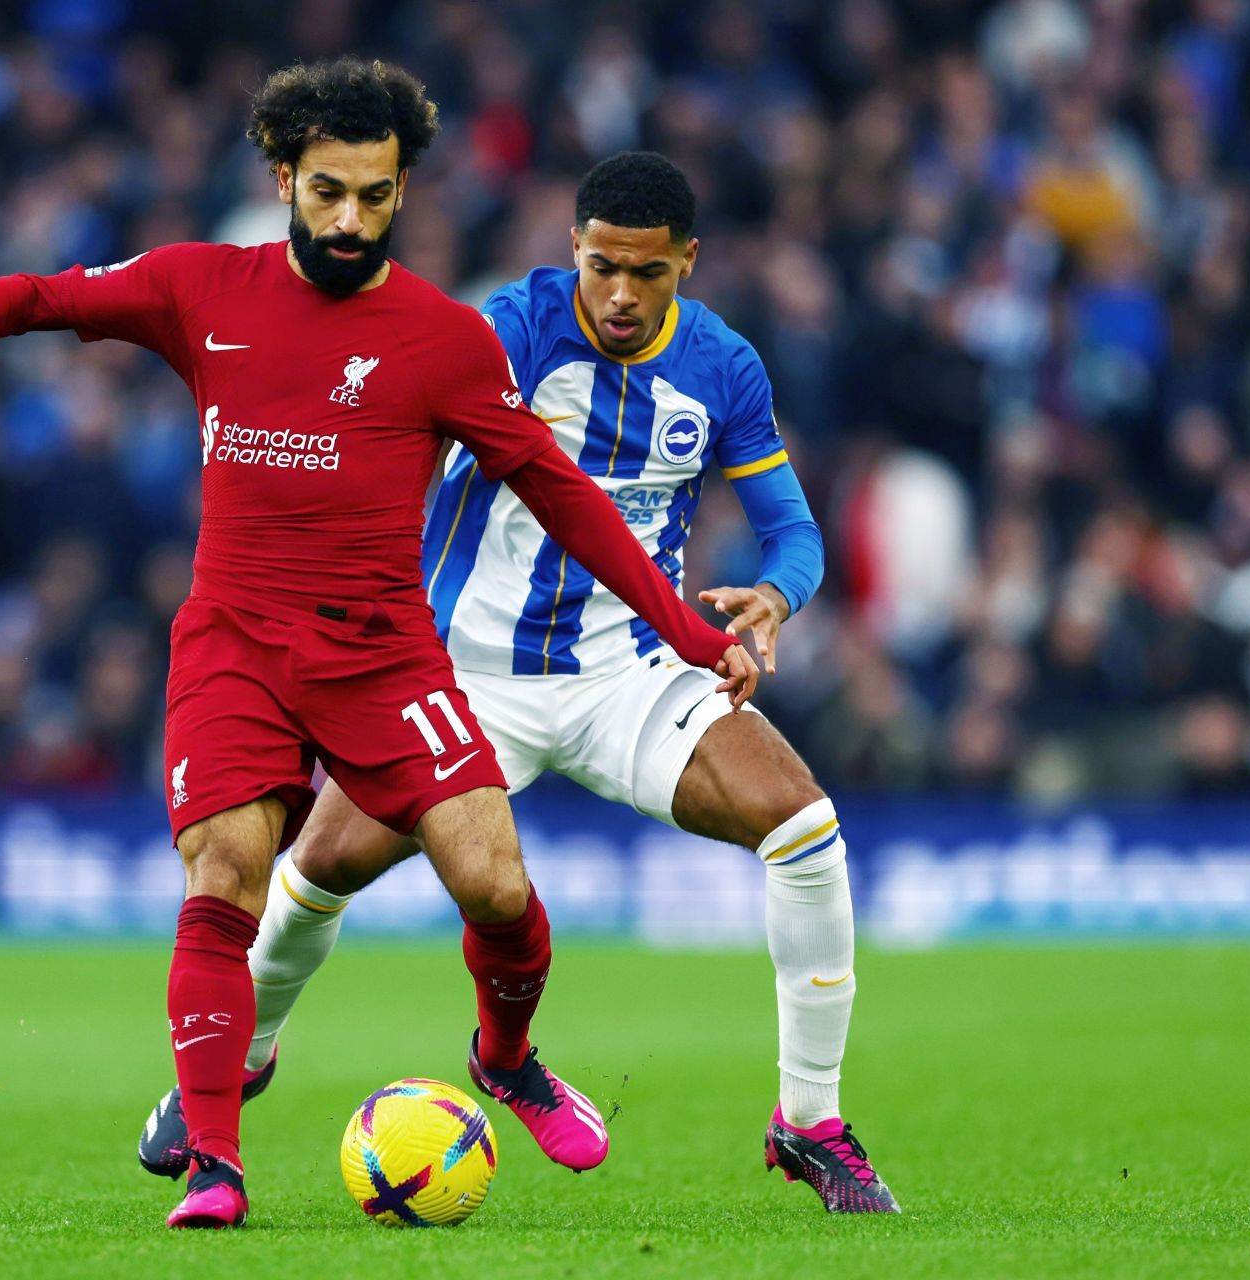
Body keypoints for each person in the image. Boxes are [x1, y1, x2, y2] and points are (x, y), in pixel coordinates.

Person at [0, 61, 755, 1230]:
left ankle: (505, 1056)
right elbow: (39, 297)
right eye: (326, 193)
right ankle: (216, 1160)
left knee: (497, 884)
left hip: (386, 655)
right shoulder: (197, 287)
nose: (349, 219)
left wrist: (681, 629)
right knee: (225, 877)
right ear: (282, 182)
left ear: (403, 190)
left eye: (373, 194)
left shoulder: (446, 338)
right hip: (237, 644)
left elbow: (560, 491)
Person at [135, 152, 899, 1214]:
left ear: (688, 260)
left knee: (806, 826)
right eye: (600, 267)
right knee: (312, 874)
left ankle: (809, 1120)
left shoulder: (725, 366)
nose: (621, 295)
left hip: (625, 674)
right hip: (460, 671)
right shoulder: (511, 328)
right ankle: (238, 1057)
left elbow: (794, 530)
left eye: (647, 273)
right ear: (571, 251)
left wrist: (778, 593)